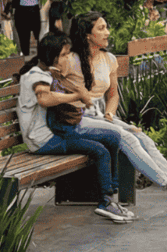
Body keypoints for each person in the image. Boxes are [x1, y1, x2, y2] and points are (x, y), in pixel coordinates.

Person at [58, 12, 167, 203]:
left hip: (100, 116)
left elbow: (113, 95)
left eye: (106, 27)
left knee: (143, 138)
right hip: (78, 118)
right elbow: (49, 82)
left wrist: (110, 113)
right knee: (126, 137)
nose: (107, 32)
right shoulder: (70, 60)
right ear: (87, 35)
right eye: (101, 28)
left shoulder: (109, 59)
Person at [17, 33, 133, 223]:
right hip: (43, 141)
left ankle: (111, 196)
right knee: (100, 150)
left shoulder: (47, 73)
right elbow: (44, 98)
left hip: (54, 133)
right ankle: (106, 202)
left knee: (112, 137)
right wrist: (77, 96)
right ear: (52, 55)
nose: (67, 58)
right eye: (64, 55)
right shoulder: (37, 75)